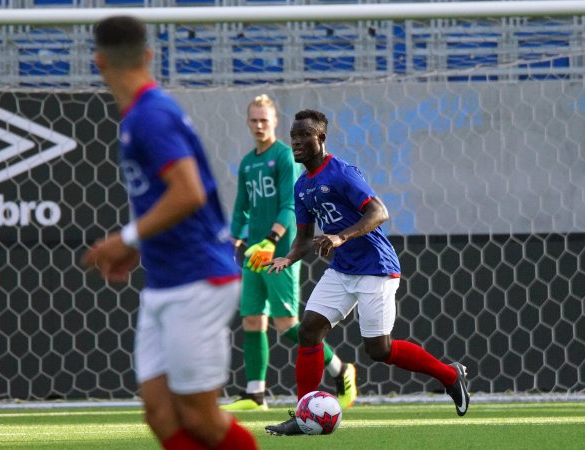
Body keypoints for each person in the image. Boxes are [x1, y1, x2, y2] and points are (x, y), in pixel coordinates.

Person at [81, 16, 257, 450]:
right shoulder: (141, 116)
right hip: (165, 279)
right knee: (160, 414)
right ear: (148, 55)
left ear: (99, 62)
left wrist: (127, 239)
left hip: (197, 279)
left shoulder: (151, 115)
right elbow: (171, 200)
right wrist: (141, 247)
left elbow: (189, 192)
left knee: (200, 415)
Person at [263, 109, 470, 436]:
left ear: (321, 139)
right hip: (342, 269)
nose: (297, 142)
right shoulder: (302, 187)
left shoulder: (342, 174)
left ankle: (449, 375)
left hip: (376, 267)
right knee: (308, 331)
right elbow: (303, 239)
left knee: (379, 351)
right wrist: (286, 258)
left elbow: (379, 212)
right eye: (294, 136)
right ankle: (304, 415)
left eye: (304, 135)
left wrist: (340, 236)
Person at [222, 95, 357, 411]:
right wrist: (234, 241)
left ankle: (341, 371)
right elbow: (241, 208)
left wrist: (271, 240)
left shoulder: (284, 157)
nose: (259, 125)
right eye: (254, 120)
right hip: (254, 253)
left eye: (264, 120)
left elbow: (288, 206)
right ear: (248, 122)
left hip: (278, 250)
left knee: (286, 325)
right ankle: (256, 395)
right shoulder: (247, 162)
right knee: (252, 320)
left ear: (274, 123)